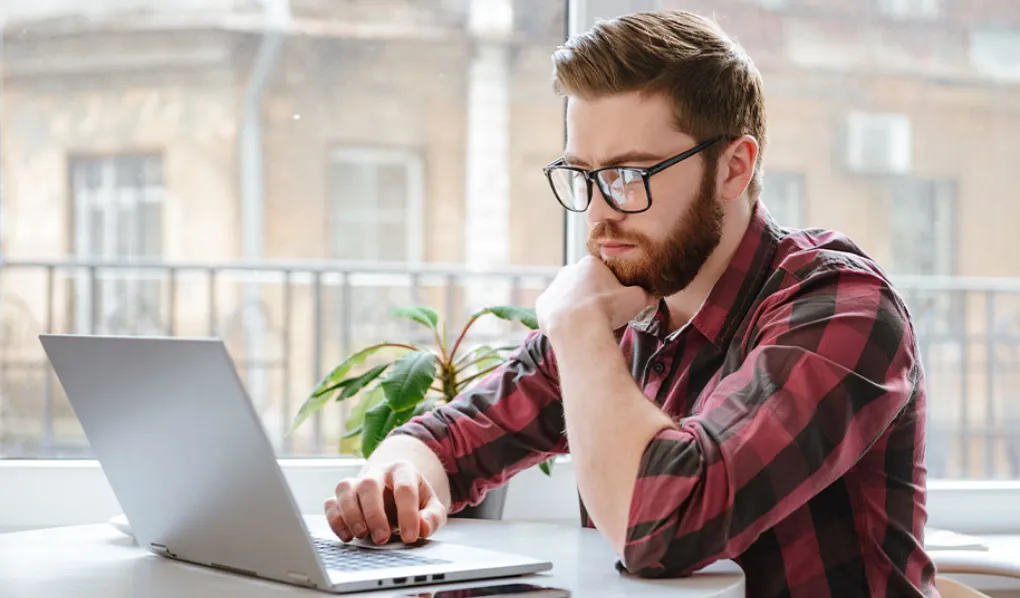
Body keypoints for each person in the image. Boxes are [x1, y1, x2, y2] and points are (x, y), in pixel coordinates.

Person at [324, 9, 936, 597]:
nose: (598, 211)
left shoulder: (841, 308)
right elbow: (446, 439)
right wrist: (393, 482)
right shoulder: (632, 298)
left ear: (734, 168)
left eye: (629, 175)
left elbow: (661, 526)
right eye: (583, 176)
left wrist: (577, 326)